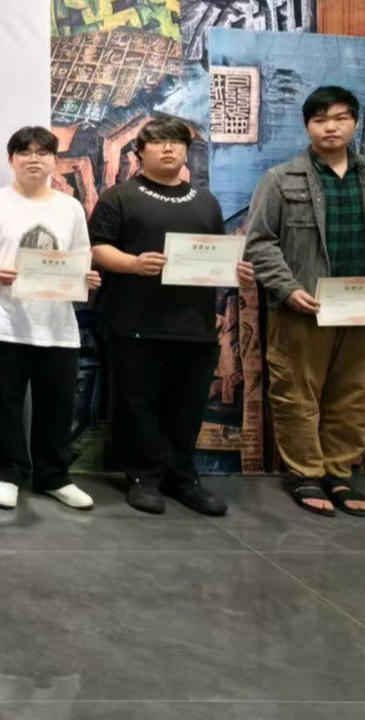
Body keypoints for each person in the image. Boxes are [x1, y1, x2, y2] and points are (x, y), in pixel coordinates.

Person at [244, 86, 365, 518]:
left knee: (355, 393)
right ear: (308, 126)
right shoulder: (281, 179)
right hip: (305, 308)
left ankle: (339, 472)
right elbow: (260, 243)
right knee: (296, 393)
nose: (331, 127)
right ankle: (305, 473)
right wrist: (288, 288)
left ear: (354, 123)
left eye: (341, 118)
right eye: (321, 119)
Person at [90, 116, 253, 516]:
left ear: (186, 151)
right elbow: (97, 248)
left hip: (194, 322)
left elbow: (214, 255)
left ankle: (182, 477)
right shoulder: (119, 197)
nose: (168, 148)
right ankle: (142, 477)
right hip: (135, 319)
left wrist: (234, 269)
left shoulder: (205, 201)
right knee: (136, 402)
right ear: (140, 151)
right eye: (158, 142)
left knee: (188, 404)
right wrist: (132, 263)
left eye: (176, 142)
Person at [0, 126, 103, 513]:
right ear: (11, 159)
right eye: (24, 152)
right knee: (3, 404)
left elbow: (80, 259)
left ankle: (54, 476)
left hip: (58, 325)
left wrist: (87, 278)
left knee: (57, 405)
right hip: (5, 321)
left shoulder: (70, 207)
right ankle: (8, 474)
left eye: (43, 153)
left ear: (55, 161)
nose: (33, 159)